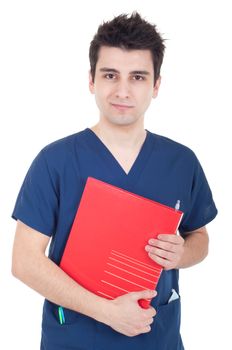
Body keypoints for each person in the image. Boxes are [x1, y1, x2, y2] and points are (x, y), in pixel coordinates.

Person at [11, 12, 217, 350]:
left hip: (157, 339)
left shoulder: (182, 162)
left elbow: (200, 238)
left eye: (137, 77)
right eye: (110, 75)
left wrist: (182, 254)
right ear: (91, 80)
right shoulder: (56, 161)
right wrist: (106, 312)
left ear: (156, 85)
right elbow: (24, 261)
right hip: (75, 338)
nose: (122, 90)